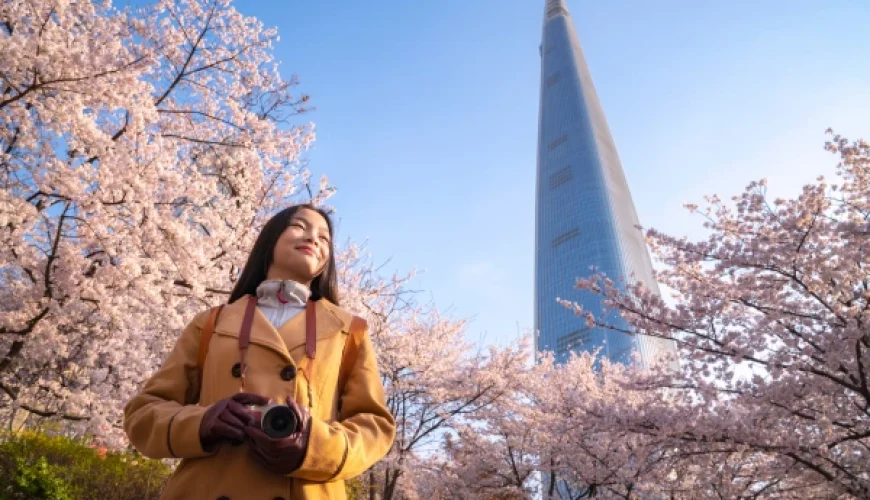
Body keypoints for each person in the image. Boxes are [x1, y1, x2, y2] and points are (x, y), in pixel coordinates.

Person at [124, 204, 396, 500]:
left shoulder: (349, 330)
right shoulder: (212, 323)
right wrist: (202, 423)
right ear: (271, 239)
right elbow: (143, 413)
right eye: (299, 226)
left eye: (324, 238)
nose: (314, 238)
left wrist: (313, 446)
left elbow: (374, 427)